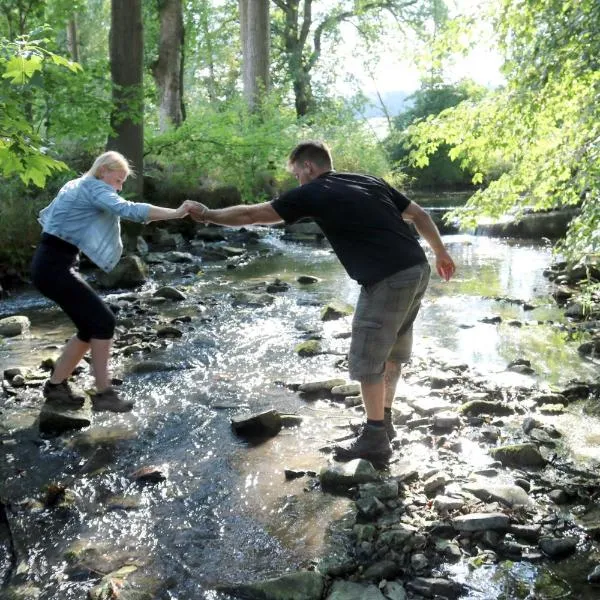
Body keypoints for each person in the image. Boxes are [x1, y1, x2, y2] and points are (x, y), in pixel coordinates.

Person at [186, 140, 456, 464]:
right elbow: (420, 215)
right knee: (393, 352)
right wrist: (441, 253)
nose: (297, 180)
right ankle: (384, 423)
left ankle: (374, 438)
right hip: (417, 269)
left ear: (308, 167)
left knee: (367, 357)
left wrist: (208, 215)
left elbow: (252, 214)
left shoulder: (314, 191)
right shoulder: (368, 181)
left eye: (296, 173)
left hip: (386, 278)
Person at [31, 150, 193, 413]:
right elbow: (127, 209)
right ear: (103, 170)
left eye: (121, 183)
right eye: (117, 180)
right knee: (104, 322)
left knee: (88, 328)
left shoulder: (78, 185)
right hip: (53, 268)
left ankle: (56, 386)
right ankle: (104, 393)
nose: (119, 187)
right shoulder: (92, 187)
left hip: (50, 265)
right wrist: (176, 213)